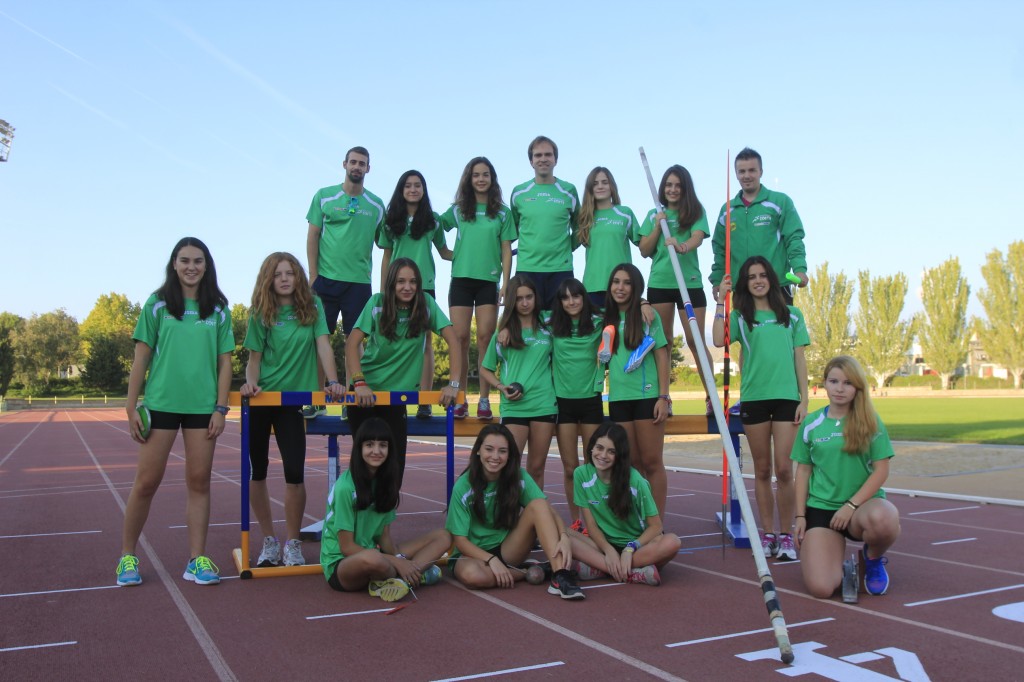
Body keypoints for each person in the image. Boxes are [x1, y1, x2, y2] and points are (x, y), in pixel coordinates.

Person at [117, 237, 233, 587]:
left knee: (199, 483)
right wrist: (130, 405)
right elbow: (141, 357)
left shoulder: (219, 309)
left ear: (207, 266)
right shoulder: (157, 304)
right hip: (162, 405)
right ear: (174, 264)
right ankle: (127, 556)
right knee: (146, 483)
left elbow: (225, 362)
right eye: (184, 260)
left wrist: (221, 408)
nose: (191, 267)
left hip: (202, 409)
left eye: (198, 261)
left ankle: (196, 559)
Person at [239, 252, 345, 568]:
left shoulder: (312, 309)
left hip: (291, 403)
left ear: (298, 277)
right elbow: (253, 362)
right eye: (278, 274)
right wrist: (250, 384)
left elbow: (324, 345)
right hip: (262, 400)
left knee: (294, 473)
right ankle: (269, 541)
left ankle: (293, 542)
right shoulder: (261, 312)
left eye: (290, 273)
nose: (284, 278)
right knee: (257, 470)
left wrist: (334, 381)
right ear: (268, 280)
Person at [712, 256, 809, 561]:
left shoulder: (792, 316)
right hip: (755, 398)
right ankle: (767, 533)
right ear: (746, 282)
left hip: (786, 399)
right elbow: (717, 340)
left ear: (771, 279)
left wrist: (804, 399)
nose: (757, 280)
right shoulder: (741, 316)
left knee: (784, 469)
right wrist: (721, 300)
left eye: (763, 275)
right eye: (752, 276)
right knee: (763, 469)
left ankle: (788, 534)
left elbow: (799, 360)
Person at [792, 356, 901, 598]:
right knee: (821, 589)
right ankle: (836, 564)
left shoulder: (870, 422)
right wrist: (800, 516)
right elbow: (803, 470)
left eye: (848, 383)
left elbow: (881, 470)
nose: (840, 388)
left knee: (886, 518)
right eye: (834, 381)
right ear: (824, 384)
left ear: (857, 388)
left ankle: (871, 558)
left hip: (860, 508)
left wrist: (851, 506)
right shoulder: (811, 424)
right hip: (821, 508)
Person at [346, 258, 460, 479]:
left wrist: (453, 384)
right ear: (391, 283)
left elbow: (453, 340)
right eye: (400, 281)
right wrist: (359, 383)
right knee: (365, 463)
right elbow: (351, 343)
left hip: (397, 396)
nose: (407, 287)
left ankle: (386, 513)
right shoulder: (377, 303)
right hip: (365, 392)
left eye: (413, 281)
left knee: (395, 467)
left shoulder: (425, 304)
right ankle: (362, 511)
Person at [445, 424, 583, 599]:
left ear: (509, 455)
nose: (495, 456)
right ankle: (529, 571)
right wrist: (490, 560)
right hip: (472, 554)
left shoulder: (518, 477)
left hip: (508, 548)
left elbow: (545, 509)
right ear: (478, 450)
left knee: (538, 504)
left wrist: (563, 535)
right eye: (489, 449)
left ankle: (560, 575)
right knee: (473, 577)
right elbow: (460, 541)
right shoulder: (464, 486)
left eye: (502, 451)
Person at [320, 418, 451, 601]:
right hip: (343, 564)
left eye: (383, 445)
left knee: (444, 536)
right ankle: (414, 573)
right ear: (359, 448)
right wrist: (397, 561)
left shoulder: (386, 483)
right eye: (369, 445)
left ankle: (404, 579)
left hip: (377, 553)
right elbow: (347, 547)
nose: (376, 451)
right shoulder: (345, 488)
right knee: (373, 559)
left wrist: (395, 557)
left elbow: (384, 537)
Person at [306, 146, 385, 404]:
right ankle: (318, 399)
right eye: (353, 162)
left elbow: (385, 242)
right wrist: (313, 275)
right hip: (325, 281)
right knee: (319, 339)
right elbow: (313, 235)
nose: (357, 167)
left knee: (356, 342)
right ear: (344, 164)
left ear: (368, 169)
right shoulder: (324, 197)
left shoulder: (376, 205)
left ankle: (353, 398)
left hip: (359, 283)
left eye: (362, 163)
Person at [440, 157, 515, 420]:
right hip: (461, 280)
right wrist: (446, 252)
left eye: (485, 175)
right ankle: (459, 397)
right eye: (476, 175)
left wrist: (506, 283)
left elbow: (507, 249)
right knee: (458, 338)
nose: (481, 179)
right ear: (468, 179)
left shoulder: (503, 212)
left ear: (492, 179)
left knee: (485, 338)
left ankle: (484, 400)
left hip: (488, 282)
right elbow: (436, 225)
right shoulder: (459, 210)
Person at [377, 170, 453, 419]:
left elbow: (444, 252)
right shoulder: (390, 220)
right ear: (401, 190)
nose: (413, 189)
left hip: (423, 287)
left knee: (426, 342)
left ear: (423, 190)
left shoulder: (432, 219)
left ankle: (424, 400)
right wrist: (382, 291)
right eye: (408, 185)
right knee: (392, 338)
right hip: (395, 287)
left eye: (417, 185)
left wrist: (480, 254)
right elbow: (387, 255)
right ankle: (391, 393)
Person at [638, 164, 712, 413]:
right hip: (660, 283)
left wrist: (683, 246)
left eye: (678, 185)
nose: (672, 189)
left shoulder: (695, 211)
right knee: (664, 342)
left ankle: (711, 397)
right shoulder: (653, 214)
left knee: (696, 341)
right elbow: (644, 250)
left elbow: (698, 237)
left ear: (685, 188)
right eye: (668, 185)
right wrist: (658, 226)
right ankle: (664, 398)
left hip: (689, 283)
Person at [569, 422, 681, 584]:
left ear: (620, 455)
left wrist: (630, 548)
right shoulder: (581, 474)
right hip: (603, 544)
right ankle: (631, 572)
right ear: (591, 447)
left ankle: (602, 568)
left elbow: (656, 527)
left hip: (637, 546)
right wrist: (609, 551)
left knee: (672, 543)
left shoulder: (636, 481)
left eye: (611, 451)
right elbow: (591, 525)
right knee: (561, 533)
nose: (603, 455)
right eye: (599, 447)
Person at [601, 263, 671, 517]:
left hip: (647, 397)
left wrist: (663, 396)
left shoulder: (648, 316)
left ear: (636, 287)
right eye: (616, 282)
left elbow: (662, 356)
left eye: (627, 282)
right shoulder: (604, 318)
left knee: (652, 463)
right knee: (630, 464)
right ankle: (638, 518)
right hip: (618, 399)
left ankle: (657, 523)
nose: (620, 287)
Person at [479, 275, 557, 490]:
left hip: (544, 405)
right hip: (514, 407)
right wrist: (500, 387)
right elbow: (485, 369)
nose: (524, 303)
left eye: (529, 297)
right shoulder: (502, 333)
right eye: (519, 298)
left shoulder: (548, 324)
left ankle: (532, 518)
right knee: (509, 466)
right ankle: (508, 517)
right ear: (512, 300)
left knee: (537, 468)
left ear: (535, 298)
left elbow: (579, 308)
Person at [710, 147, 807, 305]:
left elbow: (794, 238)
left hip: (777, 285)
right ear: (736, 174)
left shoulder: (780, 202)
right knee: (743, 330)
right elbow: (720, 249)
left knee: (779, 330)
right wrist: (716, 280)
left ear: (761, 171)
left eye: (752, 170)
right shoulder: (727, 210)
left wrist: (799, 269)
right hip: (742, 289)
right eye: (741, 171)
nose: (747, 176)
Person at [547, 277, 605, 526]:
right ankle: (576, 521)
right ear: (560, 302)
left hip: (591, 400)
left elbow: (625, 306)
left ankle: (599, 520)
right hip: (563, 402)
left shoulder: (599, 321)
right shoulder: (550, 325)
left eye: (576, 296)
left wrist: (645, 302)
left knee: (593, 467)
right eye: (566, 297)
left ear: (583, 297)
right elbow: (520, 318)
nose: (571, 301)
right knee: (571, 468)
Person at [510, 136, 580, 310]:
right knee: (527, 325)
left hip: (560, 270)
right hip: (527, 269)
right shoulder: (519, 193)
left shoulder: (568, 191)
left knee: (560, 324)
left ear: (555, 159)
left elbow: (580, 228)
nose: (543, 159)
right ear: (531, 161)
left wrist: (564, 248)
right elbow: (512, 231)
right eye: (538, 155)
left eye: (548, 155)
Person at [576, 167, 640, 308]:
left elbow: (644, 245)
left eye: (604, 182)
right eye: (595, 183)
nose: (600, 186)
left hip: (620, 286)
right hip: (592, 286)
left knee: (620, 330)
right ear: (590, 188)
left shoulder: (625, 213)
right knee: (597, 330)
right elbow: (567, 244)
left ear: (612, 186)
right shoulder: (584, 217)